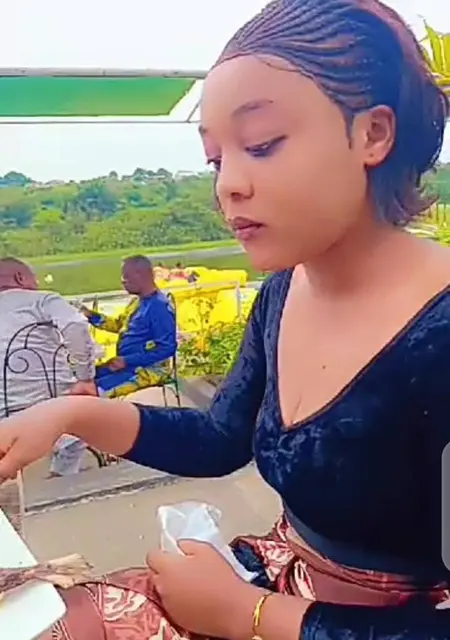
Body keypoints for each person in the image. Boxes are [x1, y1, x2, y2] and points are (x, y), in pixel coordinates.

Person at [1, 0, 450, 638]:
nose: (229, 185)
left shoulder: (440, 334)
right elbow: (220, 438)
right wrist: (67, 416)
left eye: (261, 145)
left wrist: (250, 614)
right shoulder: (283, 293)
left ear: (372, 134)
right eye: (216, 160)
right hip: (278, 576)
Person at [0, 258, 96, 478]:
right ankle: (62, 476)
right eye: (34, 278)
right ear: (20, 278)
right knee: (95, 410)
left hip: (3, 414)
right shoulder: (42, 300)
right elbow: (75, 326)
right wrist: (85, 377)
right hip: (49, 405)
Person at [84, 255, 177, 398]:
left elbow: (167, 348)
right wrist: (90, 316)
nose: (122, 281)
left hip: (148, 370)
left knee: (90, 391)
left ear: (141, 275)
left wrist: (128, 360)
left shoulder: (159, 307)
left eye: (126, 276)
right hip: (126, 364)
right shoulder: (137, 302)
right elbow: (118, 325)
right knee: (84, 379)